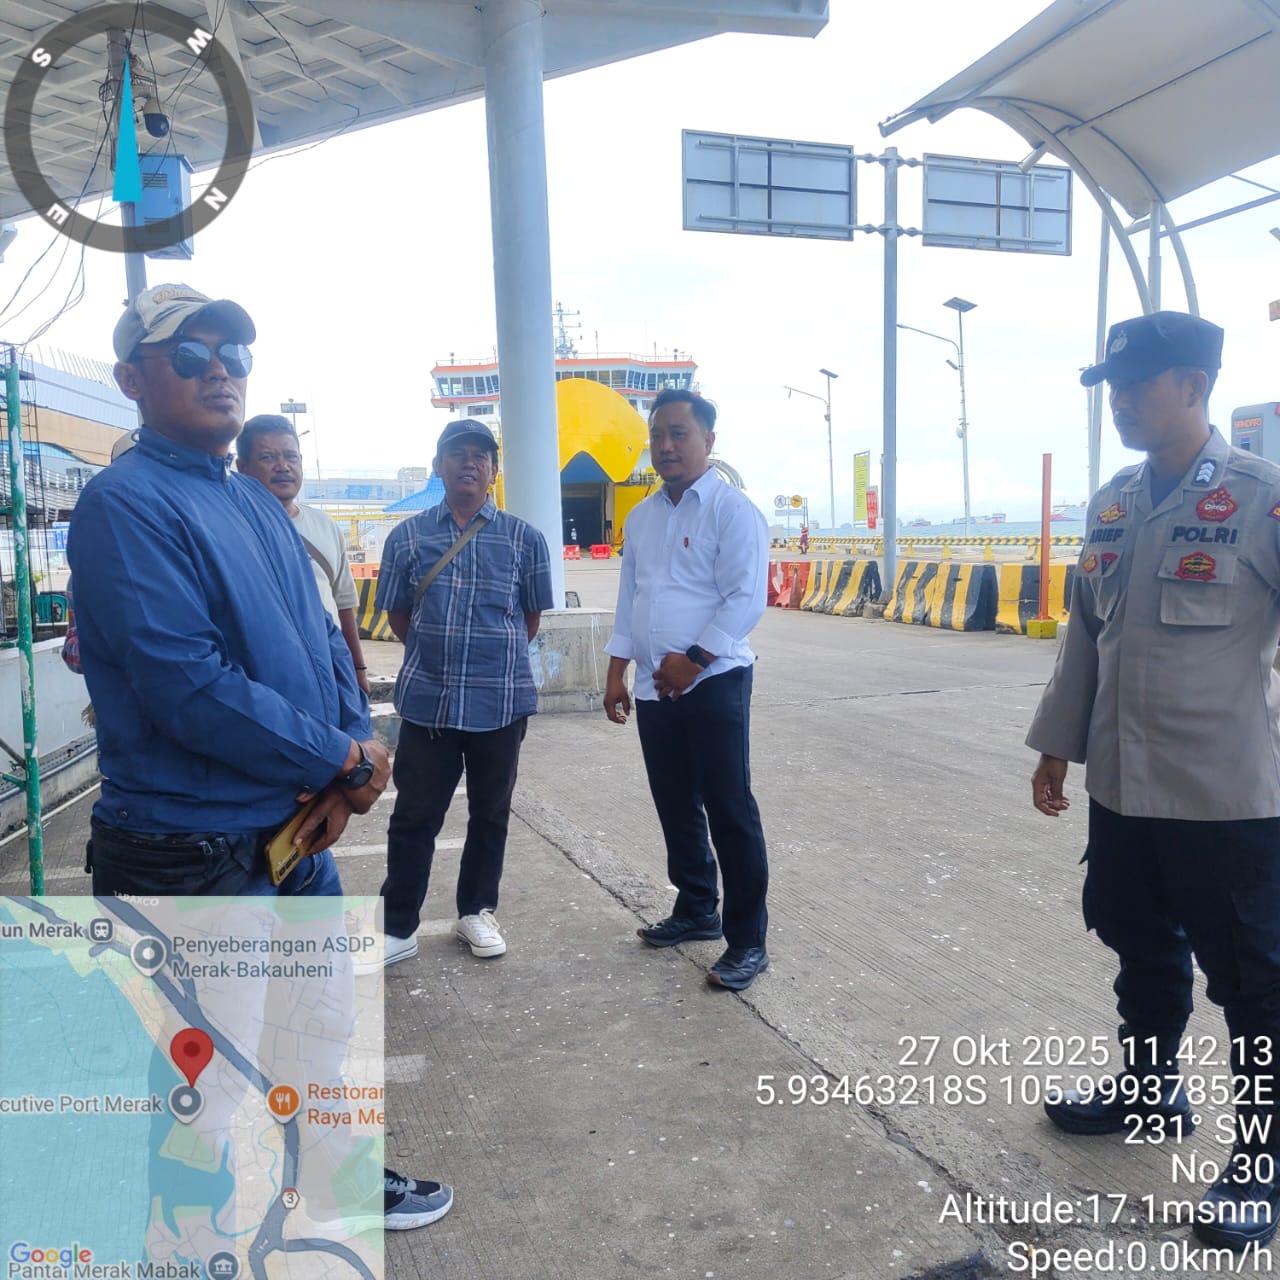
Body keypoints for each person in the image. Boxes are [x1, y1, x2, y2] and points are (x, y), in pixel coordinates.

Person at [66, 282, 450, 1231]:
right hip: (188, 847)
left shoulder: (254, 501)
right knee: (206, 1074)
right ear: (131, 380)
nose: (221, 371)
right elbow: (186, 685)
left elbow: (321, 643)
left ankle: (332, 1183)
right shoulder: (124, 503)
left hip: (291, 828)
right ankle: (187, 1234)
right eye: (189, 355)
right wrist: (339, 761)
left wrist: (357, 759)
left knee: (319, 1028)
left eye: (232, 354)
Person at [1027, 311, 1280, 1252]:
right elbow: (1086, 636)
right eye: (1113, 388)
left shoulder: (1261, 497)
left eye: (1137, 385)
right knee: (1136, 938)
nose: (1122, 403)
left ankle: (1263, 1158)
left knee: (1254, 983)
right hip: (1124, 787)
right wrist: (1058, 746)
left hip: (1225, 795)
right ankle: (1148, 1091)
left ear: (1194, 385)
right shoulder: (1114, 502)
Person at [603, 388, 771, 991]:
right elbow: (631, 598)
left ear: (708, 440)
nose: (666, 445)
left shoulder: (733, 511)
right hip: (654, 687)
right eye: (658, 435)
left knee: (729, 809)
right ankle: (698, 907)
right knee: (674, 804)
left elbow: (746, 598)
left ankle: (748, 942)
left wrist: (695, 660)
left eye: (679, 433)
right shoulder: (642, 517)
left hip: (716, 681)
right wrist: (616, 670)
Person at [370, 418, 554, 967]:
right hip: (430, 703)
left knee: (490, 813)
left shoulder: (525, 539)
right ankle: (397, 926)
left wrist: (488, 660)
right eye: (457, 454)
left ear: (494, 470)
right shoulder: (406, 537)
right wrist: (439, 658)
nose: (468, 463)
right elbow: (398, 616)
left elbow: (529, 620)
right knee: (414, 817)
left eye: (480, 455)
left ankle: (476, 910)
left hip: (500, 703)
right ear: (438, 466)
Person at [236, 413, 370, 694]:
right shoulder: (231, 528)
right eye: (268, 457)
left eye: (291, 457)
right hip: (265, 679)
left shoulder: (325, 526)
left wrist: (357, 670)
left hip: (331, 670)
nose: (283, 466)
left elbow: (343, 604)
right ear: (242, 467)